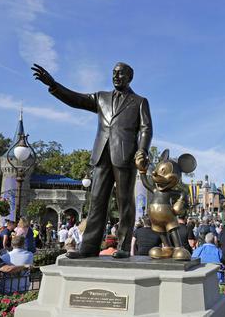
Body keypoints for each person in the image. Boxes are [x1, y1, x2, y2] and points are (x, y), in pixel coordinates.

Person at [32, 62, 152, 259]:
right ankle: (88, 247)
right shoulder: (101, 98)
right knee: (96, 201)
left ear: (130, 77)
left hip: (125, 155)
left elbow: (146, 128)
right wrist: (53, 85)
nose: (116, 76)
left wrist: (143, 151)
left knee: (125, 203)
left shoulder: (139, 101)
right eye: (113, 73)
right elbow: (76, 99)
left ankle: (122, 246)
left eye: (120, 73)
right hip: (102, 154)